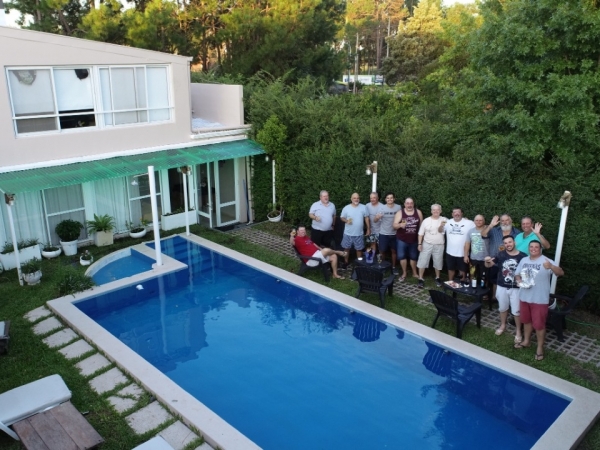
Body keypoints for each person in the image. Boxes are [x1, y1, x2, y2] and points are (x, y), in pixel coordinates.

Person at [514, 240, 564, 361]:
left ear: (540, 248)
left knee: (539, 325)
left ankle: (540, 348)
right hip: (524, 297)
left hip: (540, 299)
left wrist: (551, 266)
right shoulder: (524, 260)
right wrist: (518, 280)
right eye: (531, 247)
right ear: (529, 248)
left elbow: (561, 273)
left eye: (536, 247)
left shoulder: (546, 261)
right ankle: (526, 341)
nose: (534, 249)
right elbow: (517, 274)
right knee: (526, 321)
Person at [484, 235, 527, 343]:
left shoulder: (523, 256)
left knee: (516, 311)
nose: (508, 244)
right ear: (504, 245)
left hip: (516, 289)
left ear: (514, 243)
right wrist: (486, 260)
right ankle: (503, 325)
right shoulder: (500, 254)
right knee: (502, 308)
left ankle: (518, 331)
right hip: (502, 286)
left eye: (510, 242)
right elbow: (489, 265)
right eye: (506, 243)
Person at [482, 214, 520, 298]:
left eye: (507, 220)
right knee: (491, 279)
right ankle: (491, 296)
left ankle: (498, 297)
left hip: (508, 263)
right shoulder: (494, 230)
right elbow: (483, 234)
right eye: (502, 220)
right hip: (494, 261)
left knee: (505, 281)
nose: (505, 222)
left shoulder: (517, 233)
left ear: (511, 221)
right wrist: (491, 225)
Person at [394, 197, 423, 281]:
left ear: (413, 204)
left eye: (411, 203)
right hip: (402, 239)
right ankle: (404, 273)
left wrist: (421, 239)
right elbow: (394, 225)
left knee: (414, 257)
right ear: (404, 204)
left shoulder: (418, 212)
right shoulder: (400, 213)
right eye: (407, 203)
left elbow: (421, 227)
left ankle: (414, 273)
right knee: (402, 256)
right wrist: (400, 225)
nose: (409, 205)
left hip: (414, 239)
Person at [416, 204, 446, 288]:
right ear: (431, 211)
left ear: (441, 211)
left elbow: (441, 230)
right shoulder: (426, 220)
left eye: (437, 210)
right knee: (423, 260)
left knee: (438, 261)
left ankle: (438, 277)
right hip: (427, 243)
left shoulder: (444, 220)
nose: (436, 211)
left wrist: (440, 226)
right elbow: (420, 233)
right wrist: (419, 244)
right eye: (434, 210)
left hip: (439, 244)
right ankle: (420, 278)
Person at [443, 207, 474, 283]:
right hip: (450, 252)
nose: (457, 214)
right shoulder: (447, 222)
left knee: (463, 269)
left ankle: (462, 284)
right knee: (450, 268)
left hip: (463, 253)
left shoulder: (469, 223)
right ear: (452, 214)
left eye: (458, 212)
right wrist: (441, 226)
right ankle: (450, 282)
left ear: (462, 213)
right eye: (455, 212)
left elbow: (478, 227)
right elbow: (440, 231)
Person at [340, 193, 370, 265]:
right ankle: (346, 263)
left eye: (357, 198)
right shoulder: (346, 208)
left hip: (359, 233)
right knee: (346, 249)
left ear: (359, 199)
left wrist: (368, 228)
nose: (356, 199)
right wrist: (346, 221)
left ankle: (359, 263)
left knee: (359, 249)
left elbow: (366, 218)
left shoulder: (363, 207)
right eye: (354, 198)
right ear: (351, 199)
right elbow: (342, 217)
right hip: (348, 233)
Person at [377, 192, 402, 274]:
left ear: (394, 199)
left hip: (395, 234)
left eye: (391, 198)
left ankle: (394, 267)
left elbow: (402, 218)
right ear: (385, 199)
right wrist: (377, 217)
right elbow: (375, 220)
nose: (389, 199)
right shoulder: (381, 207)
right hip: (383, 233)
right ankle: (382, 266)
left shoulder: (398, 207)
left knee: (394, 251)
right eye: (388, 198)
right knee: (382, 251)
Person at [464, 215, 489, 283]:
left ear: (484, 221)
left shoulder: (488, 230)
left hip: (485, 259)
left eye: (480, 220)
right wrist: (466, 255)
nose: (478, 222)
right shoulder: (470, 231)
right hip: (473, 258)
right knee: (472, 275)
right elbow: (467, 243)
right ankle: (472, 290)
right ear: (474, 221)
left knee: (484, 277)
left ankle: (484, 292)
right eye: (476, 220)